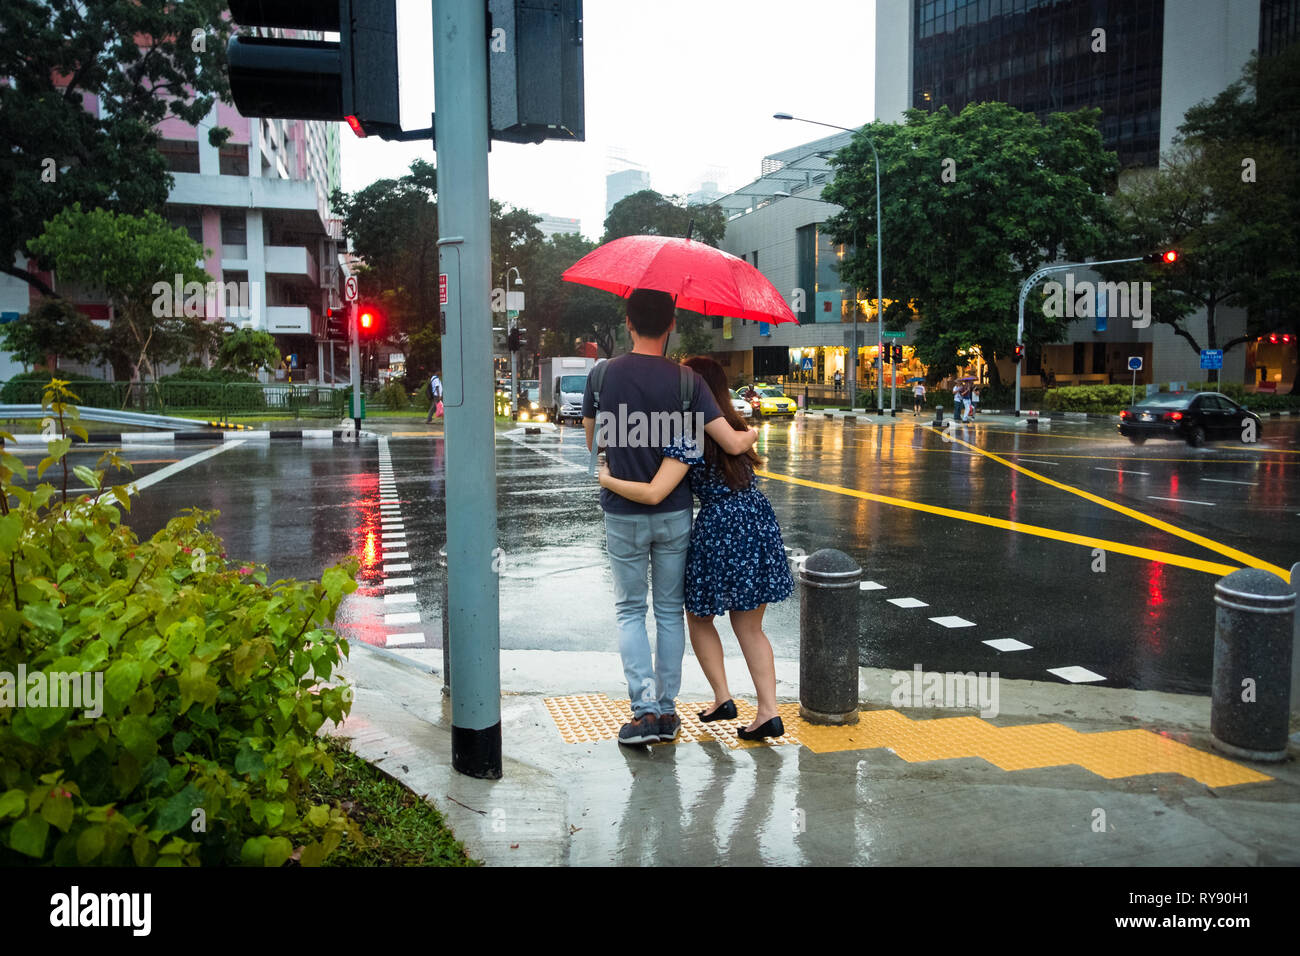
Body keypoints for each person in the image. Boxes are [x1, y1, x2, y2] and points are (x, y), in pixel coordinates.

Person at [583, 290, 758, 747]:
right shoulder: (687, 382)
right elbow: (727, 440)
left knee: (628, 610)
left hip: (621, 513)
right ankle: (666, 710)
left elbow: (592, 442)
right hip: (674, 513)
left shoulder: (601, 374)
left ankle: (641, 712)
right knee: (667, 612)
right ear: (673, 323)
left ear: (627, 322)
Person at [599, 356, 792, 742]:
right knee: (750, 627)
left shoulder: (688, 432)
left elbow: (655, 492)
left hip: (720, 524)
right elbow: (744, 441)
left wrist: (607, 478)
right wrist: (751, 433)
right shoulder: (733, 426)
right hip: (756, 516)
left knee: (698, 617)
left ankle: (723, 697)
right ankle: (768, 712)